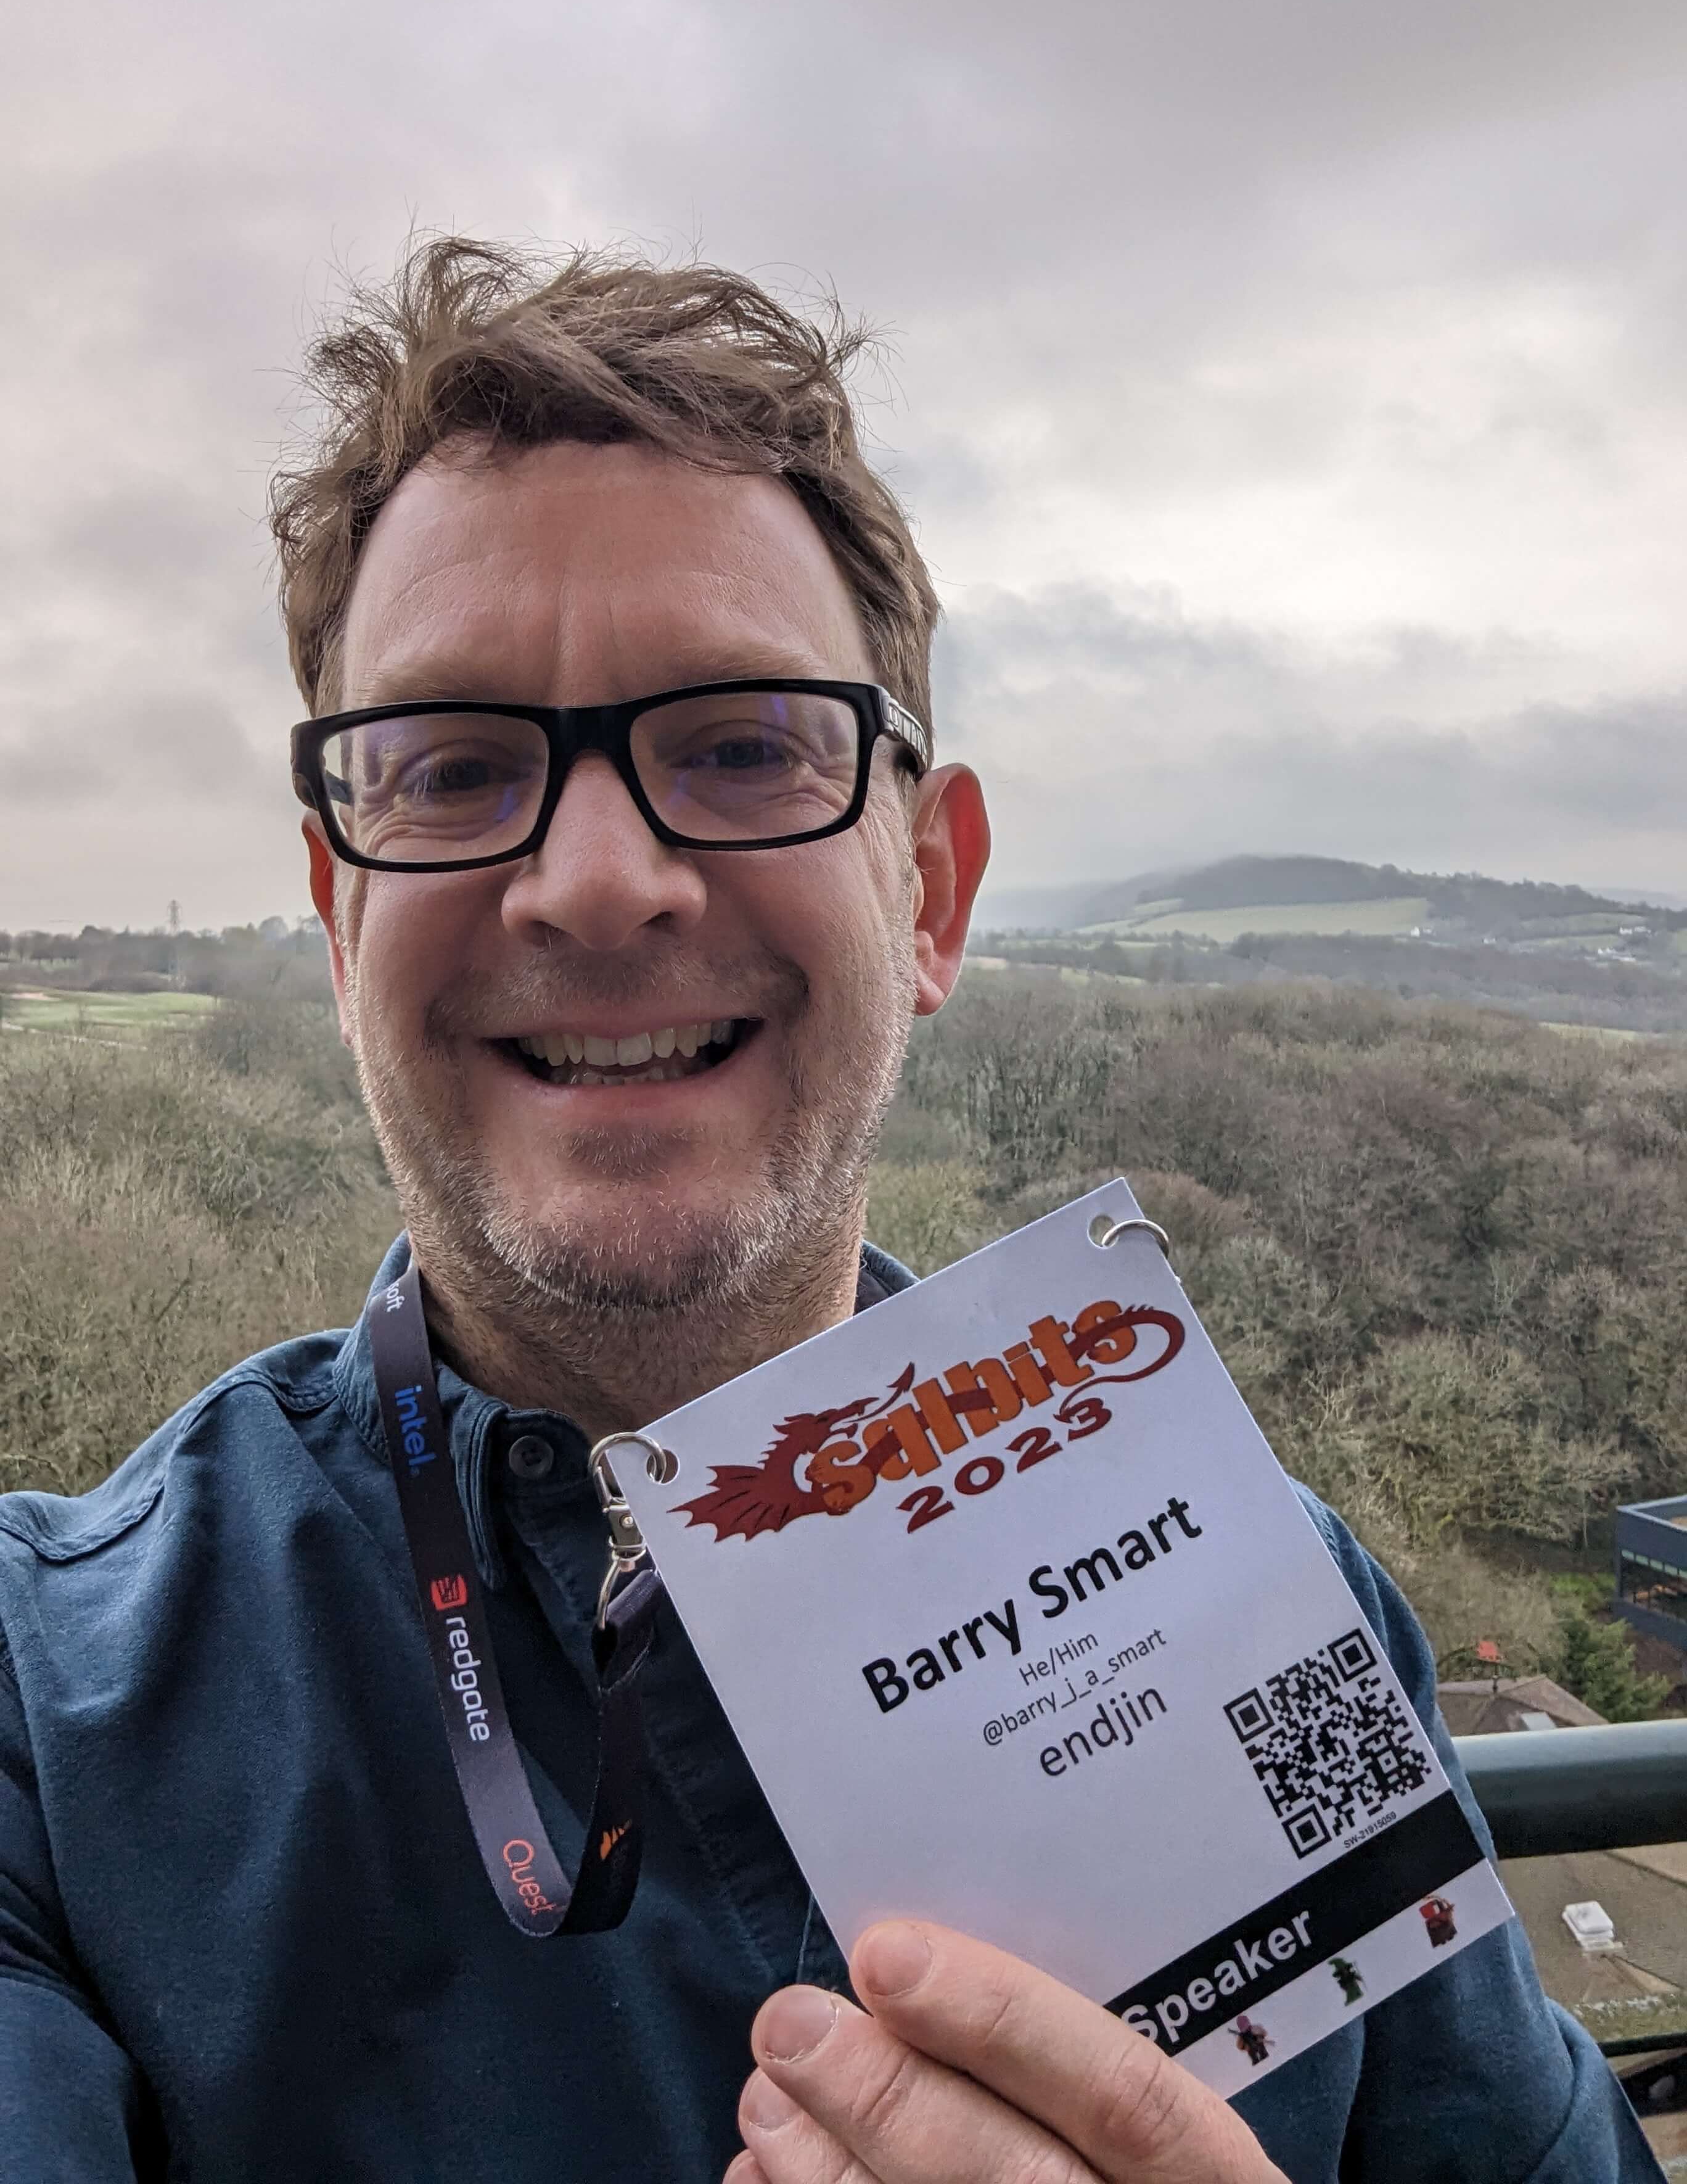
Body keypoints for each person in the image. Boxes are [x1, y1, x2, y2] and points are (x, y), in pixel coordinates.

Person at [0, 239, 1659, 2183]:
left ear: (931, 894)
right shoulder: (53, 1722)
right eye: (452, 769)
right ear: (340, 902)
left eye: (737, 746)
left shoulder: (1262, 1595)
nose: (595, 883)